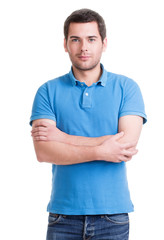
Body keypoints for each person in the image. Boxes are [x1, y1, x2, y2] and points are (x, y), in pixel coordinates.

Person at [30, 8, 147, 240]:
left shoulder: (127, 88)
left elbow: (125, 144)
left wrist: (62, 138)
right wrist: (101, 150)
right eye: (76, 39)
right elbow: (43, 151)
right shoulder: (47, 91)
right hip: (63, 216)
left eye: (91, 39)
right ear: (65, 44)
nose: (83, 47)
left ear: (103, 43)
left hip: (112, 215)